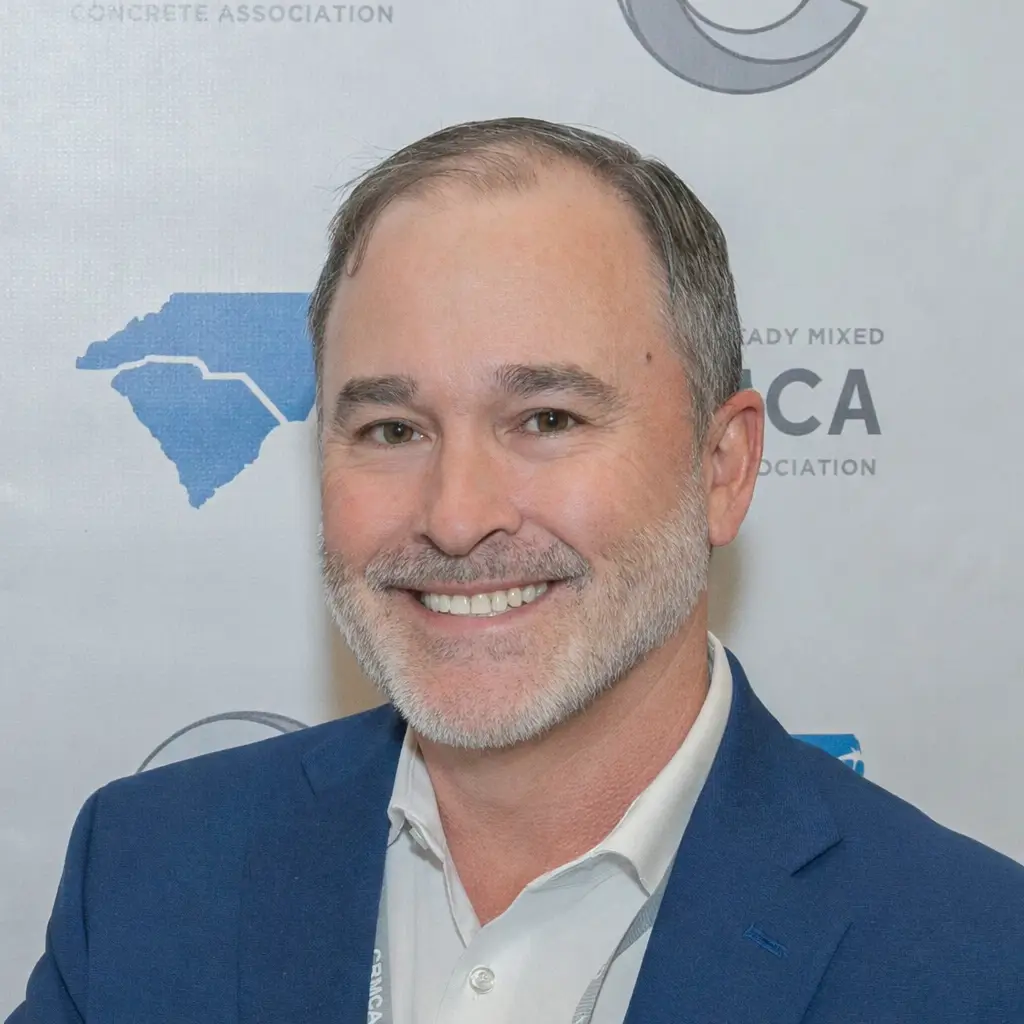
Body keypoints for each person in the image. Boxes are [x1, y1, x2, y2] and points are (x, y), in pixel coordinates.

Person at [9, 117, 1024, 1024]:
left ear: (722, 467)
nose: (456, 517)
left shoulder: (971, 962)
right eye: (392, 428)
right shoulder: (150, 872)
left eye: (546, 419)